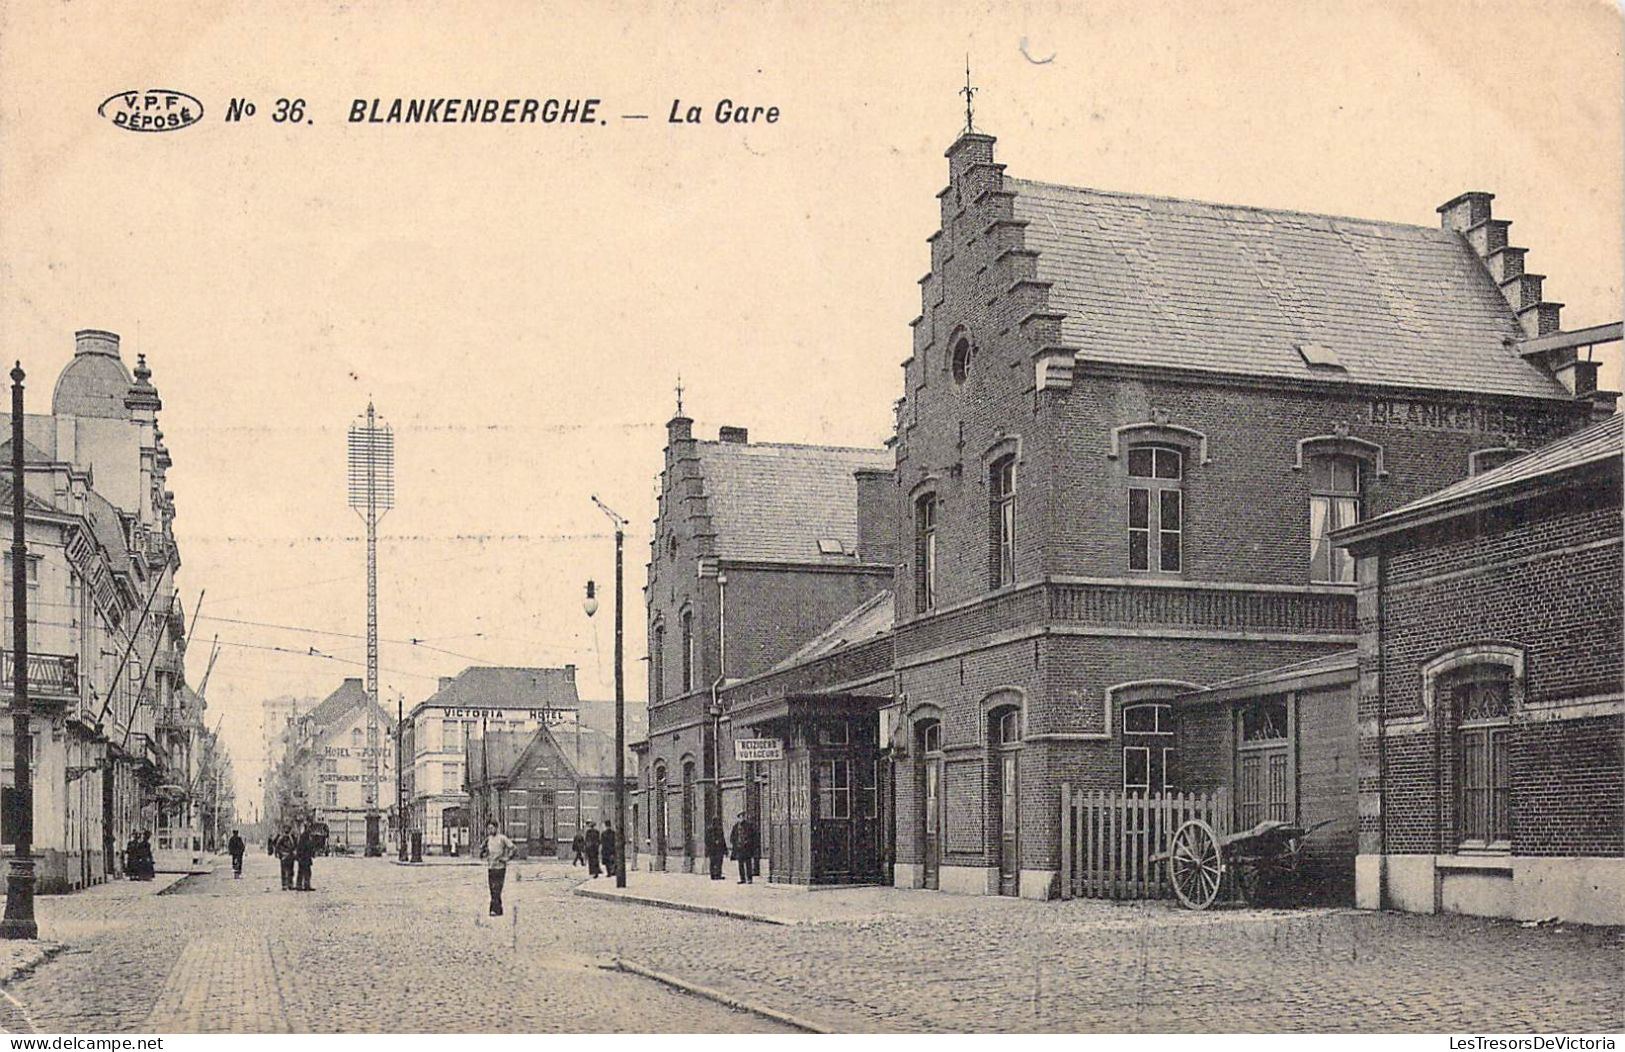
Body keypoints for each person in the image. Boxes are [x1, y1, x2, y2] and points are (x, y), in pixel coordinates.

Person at [480, 819, 516, 916]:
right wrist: (484, 854)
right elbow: (482, 850)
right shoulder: (488, 839)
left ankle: (493, 910)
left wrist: (507, 858)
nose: (490, 830)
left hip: (500, 868)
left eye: (492, 828)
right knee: (492, 889)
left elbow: (513, 848)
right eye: (488, 828)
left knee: (497, 888)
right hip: (491, 867)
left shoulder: (502, 838)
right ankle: (499, 910)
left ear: (496, 828)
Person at [729, 811, 758, 885]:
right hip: (739, 848)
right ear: (738, 818)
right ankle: (742, 879)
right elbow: (732, 836)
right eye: (740, 817)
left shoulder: (749, 826)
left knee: (748, 863)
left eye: (743, 816)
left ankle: (749, 878)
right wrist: (734, 843)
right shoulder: (735, 827)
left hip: (747, 847)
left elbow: (753, 836)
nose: (742, 818)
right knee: (740, 864)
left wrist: (748, 842)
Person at [704, 815, 728, 880]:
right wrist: (713, 842)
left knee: (719, 862)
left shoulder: (720, 829)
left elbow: (723, 840)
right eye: (716, 822)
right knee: (713, 862)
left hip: (719, 849)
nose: (717, 823)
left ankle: (718, 875)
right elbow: (707, 840)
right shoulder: (710, 830)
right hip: (712, 849)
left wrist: (725, 850)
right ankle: (713, 875)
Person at [294, 823, 317, 891]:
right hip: (304, 857)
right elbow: (305, 847)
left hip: (304, 857)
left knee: (303, 872)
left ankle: (301, 885)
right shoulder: (305, 836)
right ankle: (303, 885)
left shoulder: (305, 836)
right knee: (305, 872)